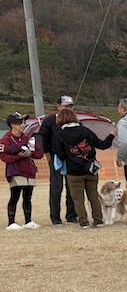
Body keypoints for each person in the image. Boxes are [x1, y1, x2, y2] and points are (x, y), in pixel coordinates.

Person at [53, 106, 114, 228]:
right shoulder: (85, 131)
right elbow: (102, 145)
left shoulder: (60, 135)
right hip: (91, 169)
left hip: (73, 172)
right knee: (93, 197)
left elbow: (60, 154)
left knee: (78, 199)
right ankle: (98, 220)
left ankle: (83, 222)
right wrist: (111, 136)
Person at [39, 94, 78, 225]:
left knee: (72, 187)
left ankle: (71, 215)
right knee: (56, 187)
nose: (68, 109)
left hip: (72, 159)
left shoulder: (75, 121)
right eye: (66, 106)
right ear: (59, 106)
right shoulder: (50, 120)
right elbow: (44, 139)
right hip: (56, 157)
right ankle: (55, 217)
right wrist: (48, 156)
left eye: (71, 106)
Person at [3, 112, 43, 229]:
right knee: (14, 196)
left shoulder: (28, 138)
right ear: (12, 125)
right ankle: (11, 222)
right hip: (15, 171)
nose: (23, 125)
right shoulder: (6, 139)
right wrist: (18, 156)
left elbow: (39, 153)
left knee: (27, 197)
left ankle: (28, 221)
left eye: (24, 122)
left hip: (29, 171)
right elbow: (4, 157)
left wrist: (30, 154)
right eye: (20, 123)